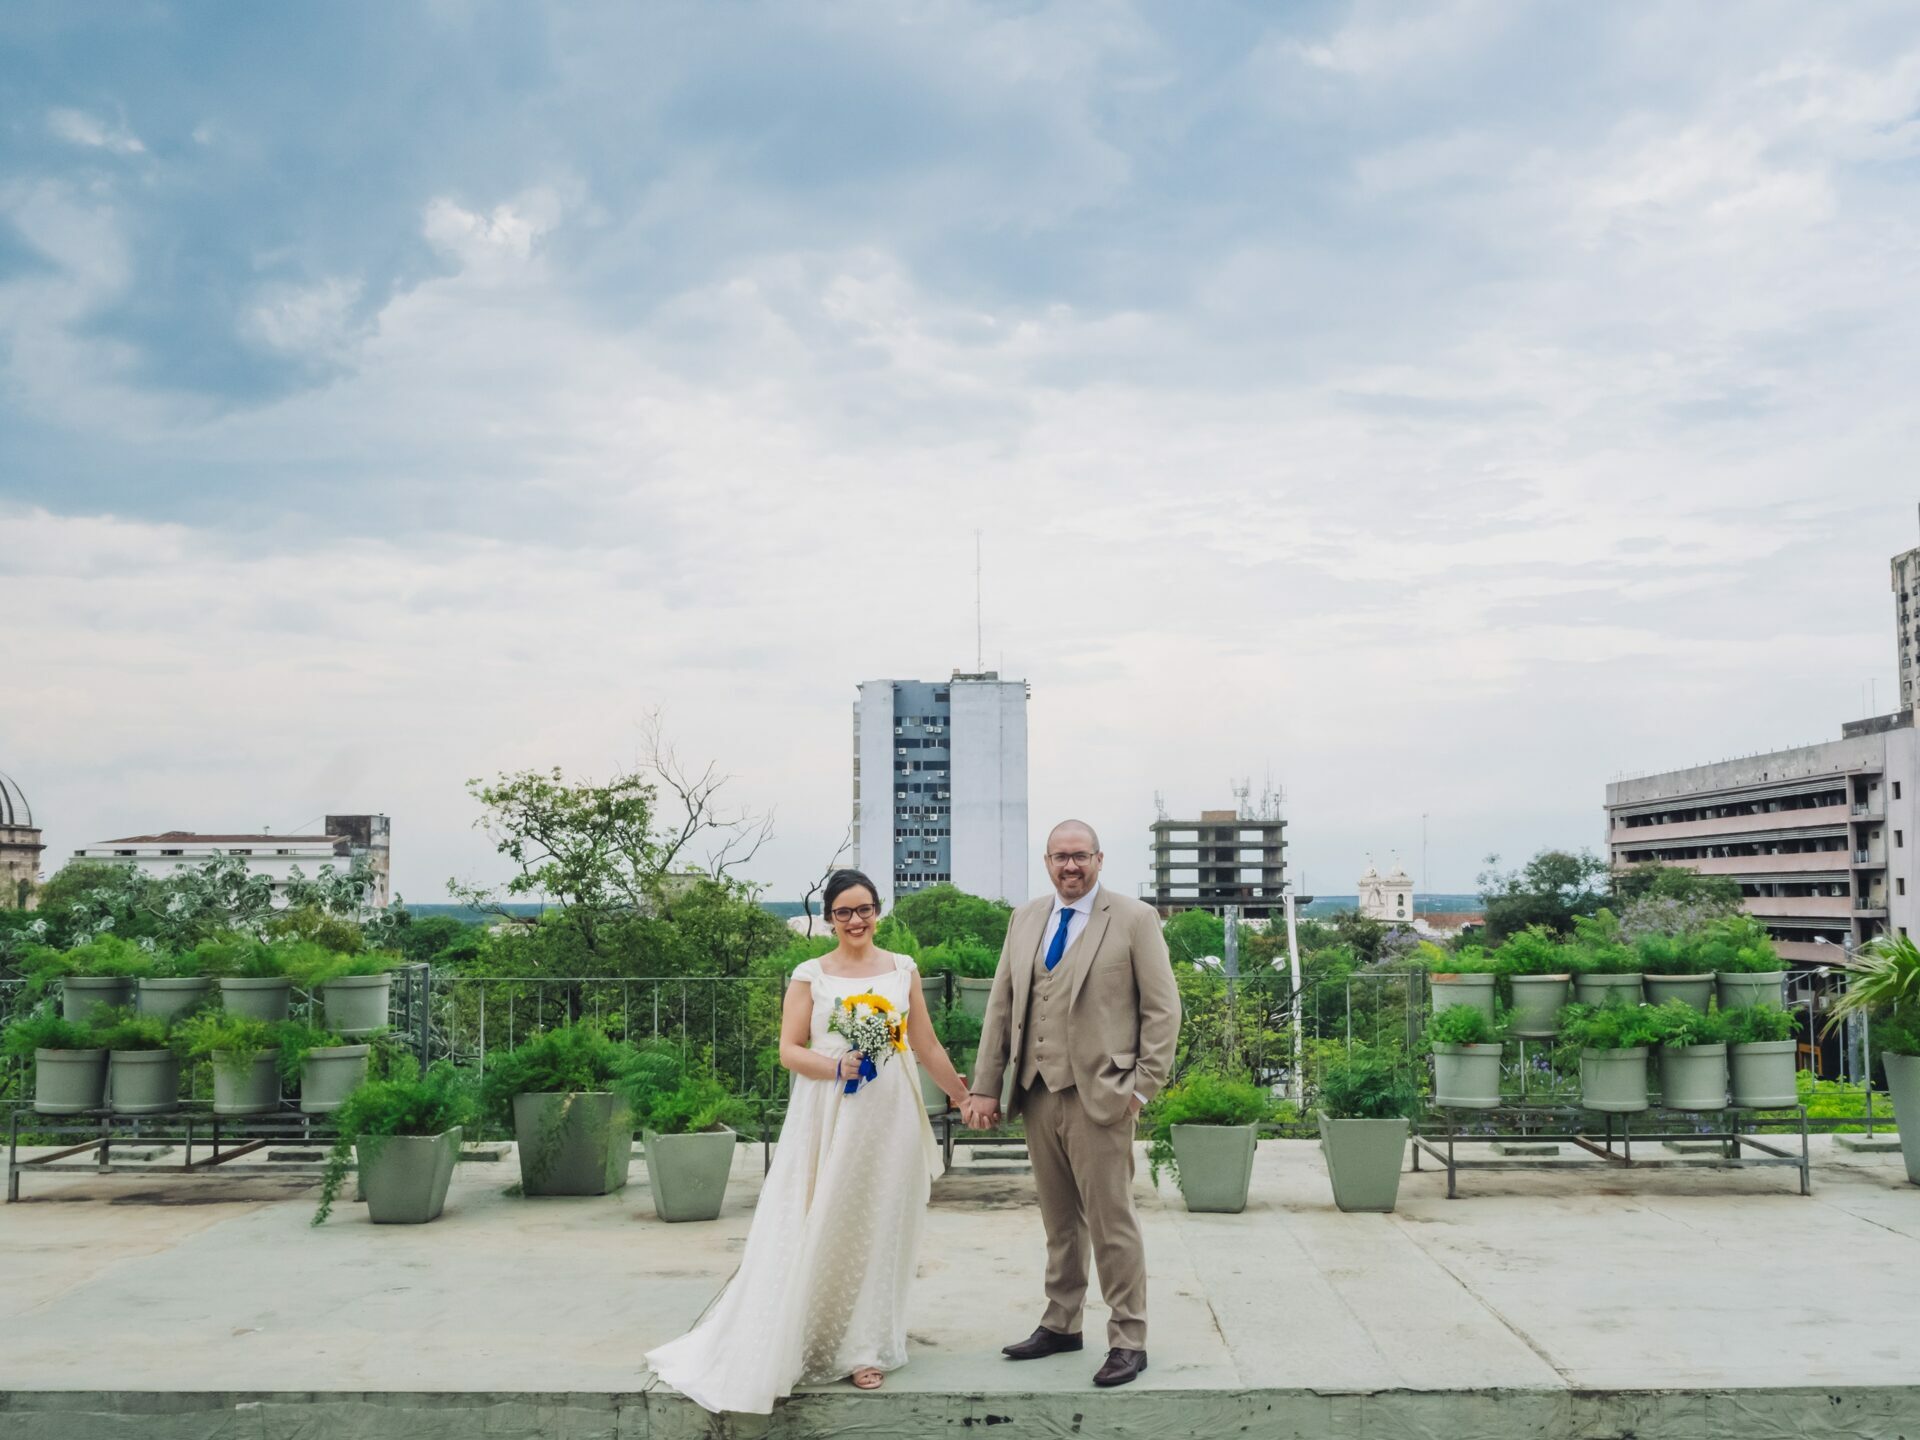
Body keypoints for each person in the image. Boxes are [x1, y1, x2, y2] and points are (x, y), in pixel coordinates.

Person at [644, 868, 971, 1413]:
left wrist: (963, 1097)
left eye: (864, 909)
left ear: (877, 911)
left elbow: (926, 1044)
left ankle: (865, 1345)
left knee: (881, 1221)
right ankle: (809, 1336)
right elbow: (789, 1050)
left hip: (889, 1112)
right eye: (844, 912)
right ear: (830, 918)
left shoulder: (902, 970)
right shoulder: (810, 975)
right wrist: (837, 1065)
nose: (856, 920)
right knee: (823, 1217)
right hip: (828, 1112)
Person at [960, 820, 1180, 1389]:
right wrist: (985, 1085)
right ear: (1047, 862)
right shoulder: (1026, 918)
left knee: (1111, 1222)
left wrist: (1141, 1088)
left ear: (1099, 860)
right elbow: (1002, 1006)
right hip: (1036, 1091)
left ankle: (1128, 1338)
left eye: (1080, 856)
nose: (1070, 866)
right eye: (1060, 857)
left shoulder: (1134, 919)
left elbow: (1163, 1009)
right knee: (1059, 1221)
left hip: (1102, 1095)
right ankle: (1062, 1323)